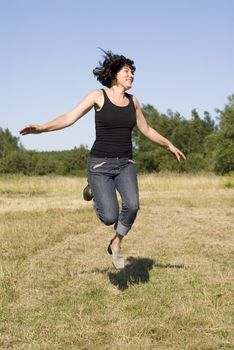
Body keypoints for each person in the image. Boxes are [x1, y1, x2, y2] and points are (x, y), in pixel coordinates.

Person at [19, 50, 186, 269]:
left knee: (133, 206)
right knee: (109, 216)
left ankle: (116, 242)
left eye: (132, 72)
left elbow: (146, 129)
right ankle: (95, 189)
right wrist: (42, 128)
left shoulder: (133, 101)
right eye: (127, 71)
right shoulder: (98, 96)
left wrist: (169, 144)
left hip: (125, 163)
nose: (131, 75)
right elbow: (69, 117)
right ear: (115, 73)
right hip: (100, 164)